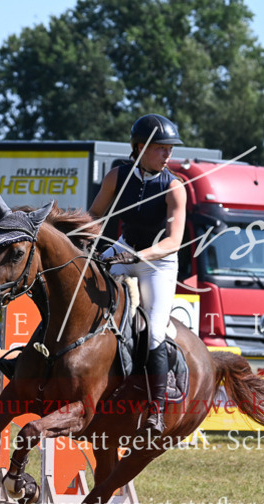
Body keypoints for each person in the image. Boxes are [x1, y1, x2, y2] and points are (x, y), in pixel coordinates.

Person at [88, 113, 187, 436]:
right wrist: (83, 246)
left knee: (155, 332)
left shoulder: (174, 187)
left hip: (158, 262)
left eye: (169, 149)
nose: (168, 154)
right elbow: (94, 217)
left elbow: (174, 241)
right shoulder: (117, 176)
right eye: (161, 148)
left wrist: (138, 256)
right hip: (122, 248)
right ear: (140, 147)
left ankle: (155, 411)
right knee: (80, 289)